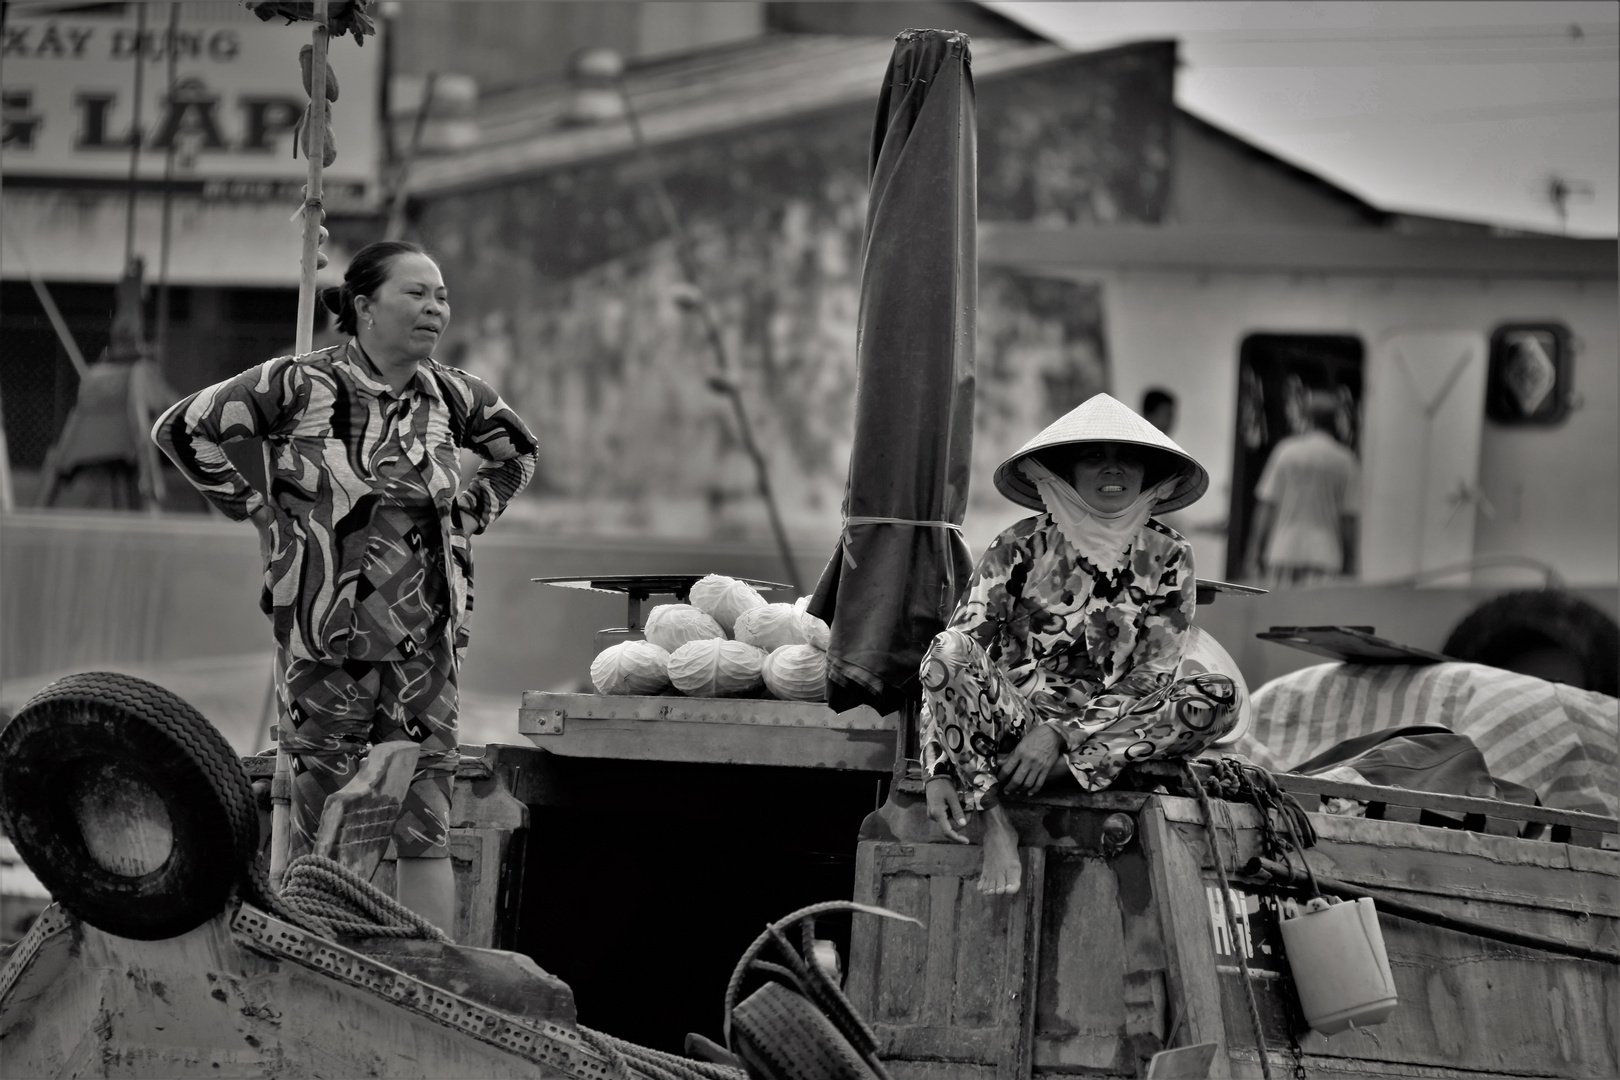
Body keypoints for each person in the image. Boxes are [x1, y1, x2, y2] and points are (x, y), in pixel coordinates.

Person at [152, 240, 538, 933]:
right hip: (326, 640)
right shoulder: (298, 385)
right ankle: (310, 952)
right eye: (416, 293)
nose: (434, 308)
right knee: (316, 814)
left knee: (425, 820)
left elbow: (519, 453)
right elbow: (183, 429)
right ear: (363, 305)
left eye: (441, 295)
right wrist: (255, 509)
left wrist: (473, 513)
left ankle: (427, 974)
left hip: (427, 648)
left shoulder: (455, 395)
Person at [920, 393, 1237, 895]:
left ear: (1147, 471)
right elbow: (950, 660)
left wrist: (1061, 736)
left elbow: (1151, 674)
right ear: (1067, 471)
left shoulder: (1170, 553)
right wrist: (936, 769)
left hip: (1100, 733)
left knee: (1217, 696)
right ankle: (994, 815)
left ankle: (1050, 774)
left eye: (1126, 457)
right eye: (1094, 456)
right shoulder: (1019, 544)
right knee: (945, 648)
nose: (1112, 469)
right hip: (1012, 724)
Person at [1243, 390, 1359, 587]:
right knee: (1318, 617)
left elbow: (1267, 505)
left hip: (1284, 550)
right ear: (1335, 421)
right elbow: (1348, 518)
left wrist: (1253, 551)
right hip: (1325, 556)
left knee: (1280, 616)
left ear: (1307, 418)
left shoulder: (1286, 452)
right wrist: (1350, 560)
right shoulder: (1345, 460)